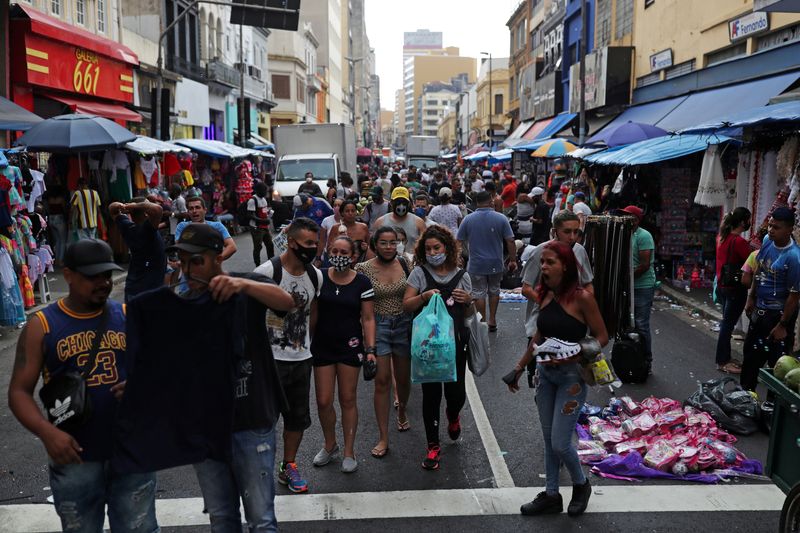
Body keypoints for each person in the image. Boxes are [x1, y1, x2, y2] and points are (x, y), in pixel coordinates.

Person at [8, 239, 159, 532]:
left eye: (106, 275)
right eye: (93, 276)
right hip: (75, 458)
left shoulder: (127, 316)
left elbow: (157, 373)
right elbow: (18, 392)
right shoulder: (42, 325)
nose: (103, 283)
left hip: (130, 452)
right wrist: (47, 433)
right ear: (68, 275)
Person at [172, 225, 295, 533]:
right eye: (182, 262)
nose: (188, 270)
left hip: (251, 419)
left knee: (261, 519)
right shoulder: (181, 300)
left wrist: (241, 284)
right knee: (222, 518)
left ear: (217, 258)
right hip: (206, 428)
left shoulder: (246, 286)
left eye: (196, 261)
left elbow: (285, 302)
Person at [507, 241, 608, 517]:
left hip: (571, 379)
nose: (544, 267)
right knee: (549, 438)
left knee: (560, 443)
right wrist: (517, 369)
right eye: (542, 262)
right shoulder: (546, 295)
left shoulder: (583, 298)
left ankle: (581, 484)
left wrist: (577, 353)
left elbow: (602, 336)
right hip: (545, 376)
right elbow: (539, 338)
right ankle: (552, 494)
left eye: (549, 262)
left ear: (565, 266)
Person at [254, 218, 323, 494]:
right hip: (269, 361)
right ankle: (259, 470)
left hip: (300, 359)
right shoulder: (267, 272)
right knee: (264, 421)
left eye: (316, 243)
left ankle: (289, 466)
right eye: (308, 244)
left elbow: (313, 312)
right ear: (292, 242)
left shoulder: (315, 275)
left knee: (297, 419)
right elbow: (252, 314)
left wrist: (306, 345)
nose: (313, 248)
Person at [403, 226, 473, 470]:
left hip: (455, 345)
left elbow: (472, 313)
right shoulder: (419, 274)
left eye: (437, 248)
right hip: (428, 348)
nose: (433, 253)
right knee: (431, 396)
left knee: (455, 394)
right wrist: (423, 297)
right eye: (428, 249)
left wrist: (469, 301)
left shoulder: (462, 275)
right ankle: (433, 446)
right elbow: (407, 305)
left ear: (447, 247)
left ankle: (453, 416)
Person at [310, 236, 376, 473]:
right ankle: (330, 445)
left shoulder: (362, 282)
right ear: (328, 252)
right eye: (334, 250)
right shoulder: (318, 277)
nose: (338, 255)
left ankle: (349, 451)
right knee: (323, 400)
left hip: (351, 346)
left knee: (348, 399)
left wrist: (370, 350)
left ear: (353, 256)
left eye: (344, 252)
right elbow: (313, 313)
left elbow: (368, 318)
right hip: (322, 346)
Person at [356, 227, 413, 458]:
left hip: (404, 326)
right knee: (382, 382)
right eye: (384, 243)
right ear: (374, 244)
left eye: (393, 243)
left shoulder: (407, 265)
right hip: (377, 326)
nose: (389, 247)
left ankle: (402, 412)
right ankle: (383, 437)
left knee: (403, 379)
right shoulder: (363, 269)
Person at [741, 207, 800, 392]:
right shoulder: (767, 241)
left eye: (777, 227)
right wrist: (751, 297)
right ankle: (745, 398)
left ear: (790, 229)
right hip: (760, 309)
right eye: (770, 226)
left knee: (778, 364)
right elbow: (760, 269)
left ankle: (772, 410)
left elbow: (794, 295)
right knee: (751, 357)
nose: (771, 230)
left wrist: (783, 325)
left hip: (779, 315)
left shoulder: (794, 257)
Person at [521, 210, 594, 340]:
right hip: (541, 326)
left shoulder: (580, 250)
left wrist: (585, 308)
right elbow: (526, 289)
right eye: (567, 232)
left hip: (572, 324)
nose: (572, 237)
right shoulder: (540, 251)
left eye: (576, 231)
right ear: (555, 232)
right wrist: (551, 307)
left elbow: (587, 284)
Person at [457, 191, 518, 332]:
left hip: (476, 264)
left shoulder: (468, 219)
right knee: (494, 290)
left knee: (478, 293)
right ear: (491, 201)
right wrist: (513, 260)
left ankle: (482, 320)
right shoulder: (501, 218)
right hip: (496, 262)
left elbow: (458, 241)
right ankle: (493, 320)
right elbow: (510, 240)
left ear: (477, 202)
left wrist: (458, 258)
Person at [714, 207, 752, 374]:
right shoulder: (738, 242)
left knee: (726, 323)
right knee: (727, 325)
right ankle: (722, 361)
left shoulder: (722, 238)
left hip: (723, 286)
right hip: (735, 289)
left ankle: (726, 358)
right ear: (743, 222)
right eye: (748, 219)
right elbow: (751, 261)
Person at [109, 198, 166, 302]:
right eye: (148, 205)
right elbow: (158, 209)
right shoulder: (147, 229)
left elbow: (112, 208)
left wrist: (123, 206)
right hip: (148, 292)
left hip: (133, 289)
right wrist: (134, 206)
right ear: (146, 214)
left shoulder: (127, 227)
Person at [623, 205, 656, 372]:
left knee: (641, 324)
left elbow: (645, 264)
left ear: (635, 219)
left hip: (642, 286)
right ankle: (629, 358)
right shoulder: (623, 234)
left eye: (628, 216)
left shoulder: (644, 236)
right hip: (628, 286)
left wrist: (626, 277)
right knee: (627, 324)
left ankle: (646, 360)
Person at [176, 196, 237, 260]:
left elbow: (232, 247)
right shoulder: (182, 226)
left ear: (205, 210)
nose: (194, 211)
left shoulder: (217, 226)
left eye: (197, 207)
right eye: (191, 208)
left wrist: (215, 261)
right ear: (188, 212)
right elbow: (179, 248)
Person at [375, 187, 427, 251]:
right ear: (391, 203)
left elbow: (425, 246)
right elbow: (374, 247)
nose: (401, 205)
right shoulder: (380, 222)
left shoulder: (419, 223)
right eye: (397, 201)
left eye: (404, 201)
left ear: (409, 203)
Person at [326, 199, 372, 263]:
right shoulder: (336, 228)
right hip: (340, 263)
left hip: (360, 264)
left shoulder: (363, 227)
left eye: (353, 211)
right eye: (347, 211)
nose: (350, 213)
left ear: (356, 212)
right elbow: (329, 248)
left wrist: (366, 248)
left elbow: (370, 247)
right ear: (342, 213)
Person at [248, 180, 274, 267]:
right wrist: (262, 221)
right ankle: (257, 264)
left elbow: (264, 211)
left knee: (270, 244)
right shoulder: (252, 200)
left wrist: (269, 213)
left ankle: (272, 263)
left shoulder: (264, 199)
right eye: (264, 191)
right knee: (258, 246)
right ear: (258, 190)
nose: (266, 193)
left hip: (265, 226)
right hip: (256, 227)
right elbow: (250, 215)